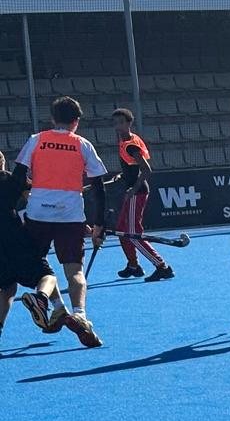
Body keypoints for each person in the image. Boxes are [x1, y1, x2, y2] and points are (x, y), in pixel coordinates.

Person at [16, 96, 106, 348]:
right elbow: (99, 189)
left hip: (38, 214)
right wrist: (99, 225)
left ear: (52, 118)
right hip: (71, 215)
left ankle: (57, 306)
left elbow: (19, 176)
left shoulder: (36, 139)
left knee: (39, 266)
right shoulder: (83, 144)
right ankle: (79, 314)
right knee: (74, 270)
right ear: (76, 121)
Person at [0, 153, 70, 347]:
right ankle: (41, 298)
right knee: (46, 275)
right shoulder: (12, 180)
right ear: (2, 162)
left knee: (7, 287)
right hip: (14, 236)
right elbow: (34, 202)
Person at [106, 107, 173, 282]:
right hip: (133, 191)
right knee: (121, 230)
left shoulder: (131, 145)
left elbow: (146, 170)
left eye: (121, 123)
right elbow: (132, 167)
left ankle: (162, 267)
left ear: (129, 123)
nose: (118, 126)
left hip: (137, 192)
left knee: (133, 233)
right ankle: (133, 266)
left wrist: (132, 190)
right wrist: (122, 175)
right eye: (115, 123)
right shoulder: (126, 141)